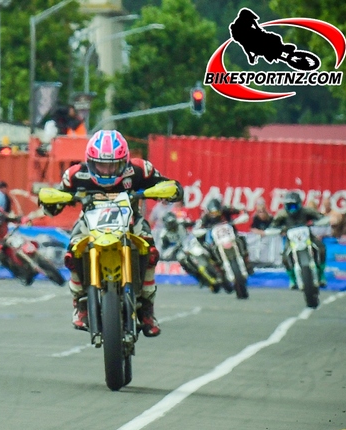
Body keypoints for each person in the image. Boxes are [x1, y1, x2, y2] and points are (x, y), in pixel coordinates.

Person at [39, 129, 183, 336]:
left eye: (113, 165)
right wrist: (51, 201)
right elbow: (53, 204)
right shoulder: (75, 175)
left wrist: (171, 190)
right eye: (101, 164)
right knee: (71, 254)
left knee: (150, 251)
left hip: (131, 220)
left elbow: (170, 186)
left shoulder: (141, 170)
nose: (106, 170)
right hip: (90, 222)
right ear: (90, 161)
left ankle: (147, 308)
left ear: (124, 161)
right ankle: (80, 303)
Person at [269, 191, 327, 288]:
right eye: (289, 206)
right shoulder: (282, 214)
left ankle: (321, 274)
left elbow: (321, 217)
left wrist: (316, 222)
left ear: (299, 204)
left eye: (294, 206)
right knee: (285, 257)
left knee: (321, 248)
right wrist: (277, 230)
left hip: (307, 236)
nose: (292, 209)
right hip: (291, 239)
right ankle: (292, 279)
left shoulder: (307, 211)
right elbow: (273, 226)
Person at [195, 197, 253, 273]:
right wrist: (202, 230)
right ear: (209, 212)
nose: (215, 215)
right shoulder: (206, 217)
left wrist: (242, 214)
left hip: (231, 235)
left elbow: (241, 211)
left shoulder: (226, 210)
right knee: (207, 248)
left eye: (217, 212)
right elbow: (198, 227)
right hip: (216, 239)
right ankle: (216, 266)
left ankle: (246, 260)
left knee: (241, 239)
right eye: (213, 213)